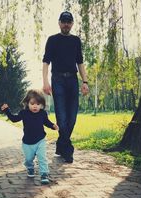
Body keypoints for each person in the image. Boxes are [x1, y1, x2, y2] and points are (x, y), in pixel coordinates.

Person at [42, 11, 89, 163]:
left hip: (72, 81)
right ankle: (68, 150)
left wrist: (85, 82)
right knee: (62, 118)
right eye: (63, 21)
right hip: (57, 80)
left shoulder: (76, 41)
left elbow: (80, 62)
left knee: (72, 118)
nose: (66, 24)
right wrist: (45, 82)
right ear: (59, 22)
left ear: (72, 24)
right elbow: (46, 62)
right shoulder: (52, 40)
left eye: (69, 21)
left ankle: (61, 145)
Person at [1, 89, 59, 185]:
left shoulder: (42, 113)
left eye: (38, 104)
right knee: (28, 159)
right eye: (32, 104)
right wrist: (7, 110)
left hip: (40, 140)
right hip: (27, 143)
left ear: (42, 105)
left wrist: (53, 126)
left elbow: (46, 122)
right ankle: (30, 168)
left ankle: (44, 174)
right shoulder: (24, 113)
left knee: (42, 157)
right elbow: (14, 119)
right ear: (27, 103)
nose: (35, 106)